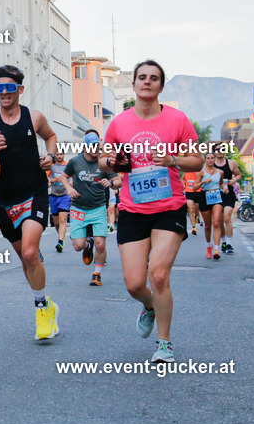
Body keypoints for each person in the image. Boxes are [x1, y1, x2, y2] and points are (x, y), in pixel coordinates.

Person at [100, 60, 202, 364]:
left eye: (153, 78)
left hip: (168, 206)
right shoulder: (119, 123)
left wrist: (173, 160)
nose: (147, 82)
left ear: (161, 85)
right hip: (132, 208)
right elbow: (105, 161)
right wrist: (115, 161)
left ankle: (164, 342)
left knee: (158, 274)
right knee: (134, 283)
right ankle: (149, 306)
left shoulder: (178, 119)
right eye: (141, 77)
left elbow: (196, 160)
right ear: (133, 85)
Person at [0, 64, 59, 339]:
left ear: (19, 89)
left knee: (31, 253)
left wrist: (51, 156)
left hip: (35, 194)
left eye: (9, 88)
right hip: (5, 199)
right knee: (25, 258)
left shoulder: (34, 117)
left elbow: (51, 137)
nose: (3, 93)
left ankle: (41, 309)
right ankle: (47, 302)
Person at [60, 131, 119, 286]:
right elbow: (63, 177)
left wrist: (111, 183)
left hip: (98, 207)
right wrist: (68, 188)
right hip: (78, 208)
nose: (94, 149)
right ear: (85, 147)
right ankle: (87, 245)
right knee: (78, 246)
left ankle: (97, 274)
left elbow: (118, 180)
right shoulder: (75, 162)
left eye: (96, 146)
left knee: (101, 243)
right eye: (91, 146)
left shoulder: (104, 163)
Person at [213, 150, 241, 254]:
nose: (220, 152)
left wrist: (235, 180)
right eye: (217, 150)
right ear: (214, 152)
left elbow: (238, 175)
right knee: (219, 221)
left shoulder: (231, 163)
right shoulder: (211, 164)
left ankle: (229, 244)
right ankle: (224, 242)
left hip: (229, 193)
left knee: (227, 217)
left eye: (222, 150)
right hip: (216, 194)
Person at [198, 152, 225, 260]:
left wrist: (225, 187)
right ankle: (209, 246)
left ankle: (217, 249)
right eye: (208, 158)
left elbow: (221, 183)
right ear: (205, 159)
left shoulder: (220, 172)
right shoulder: (201, 173)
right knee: (208, 225)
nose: (210, 160)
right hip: (205, 196)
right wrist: (203, 181)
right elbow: (195, 187)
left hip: (216, 196)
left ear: (214, 159)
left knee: (217, 222)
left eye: (212, 158)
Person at [48, 152, 70, 252]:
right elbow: (47, 181)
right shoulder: (51, 167)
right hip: (54, 196)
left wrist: (71, 186)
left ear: (63, 155)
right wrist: (55, 180)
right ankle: (60, 237)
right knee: (56, 223)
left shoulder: (68, 165)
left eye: (61, 154)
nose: (59, 156)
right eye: (57, 154)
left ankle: (60, 241)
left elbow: (73, 178)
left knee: (63, 219)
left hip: (65, 195)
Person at [182, 169, 203, 235]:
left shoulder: (199, 170)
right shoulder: (186, 171)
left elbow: (200, 177)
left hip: (198, 192)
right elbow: (183, 179)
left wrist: (194, 171)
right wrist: (183, 185)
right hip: (189, 192)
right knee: (190, 209)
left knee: (196, 211)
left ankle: (196, 217)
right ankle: (194, 227)